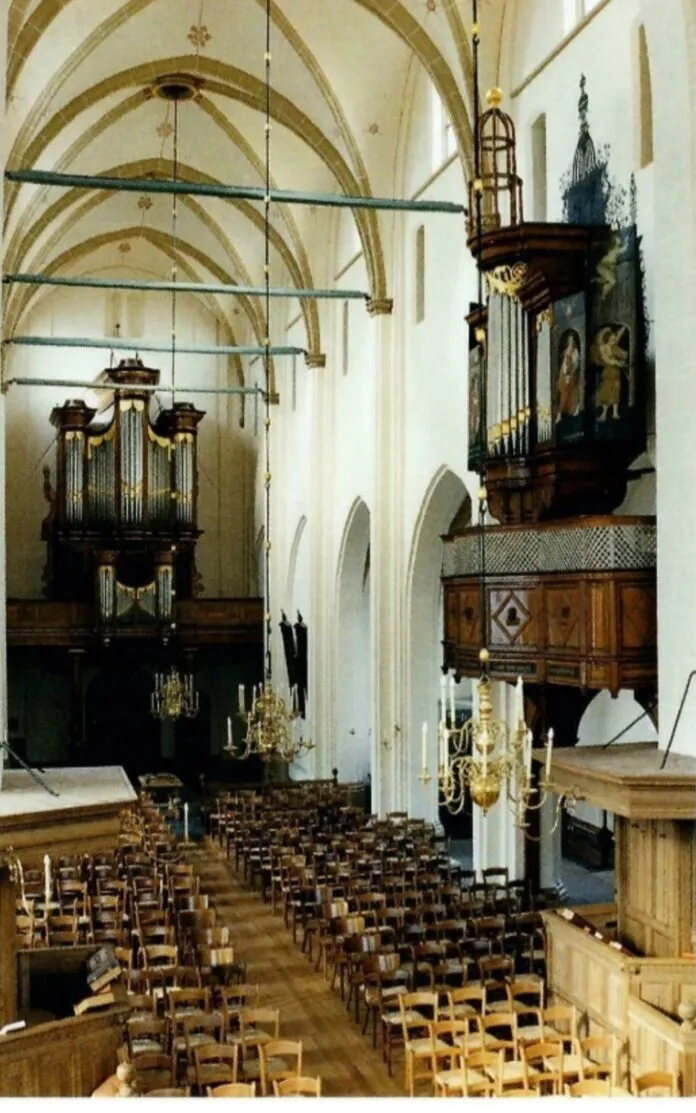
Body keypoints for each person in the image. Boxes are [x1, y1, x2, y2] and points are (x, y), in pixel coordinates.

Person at [555, 331, 582, 421]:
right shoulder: (566, 350)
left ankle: (571, 410)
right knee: (562, 392)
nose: (571, 342)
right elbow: (563, 363)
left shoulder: (575, 351)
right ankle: (560, 413)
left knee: (571, 392)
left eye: (572, 340)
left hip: (571, 375)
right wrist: (564, 373)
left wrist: (570, 374)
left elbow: (576, 364)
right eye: (569, 340)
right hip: (564, 374)